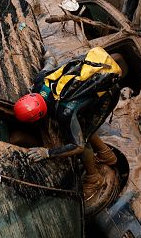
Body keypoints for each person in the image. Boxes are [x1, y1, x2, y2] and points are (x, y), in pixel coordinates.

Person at [15, 47, 125, 202]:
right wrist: (47, 55)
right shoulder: (40, 83)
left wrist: (47, 153)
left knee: (83, 138)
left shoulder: (65, 112)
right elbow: (50, 62)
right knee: (80, 126)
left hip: (107, 95)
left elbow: (78, 146)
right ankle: (107, 155)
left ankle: (94, 179)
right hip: (84, 93)